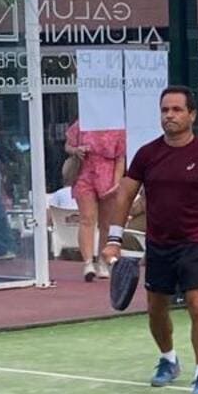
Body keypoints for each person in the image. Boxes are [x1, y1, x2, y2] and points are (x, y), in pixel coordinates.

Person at [101, 86, 198, 394]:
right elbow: (125, 194)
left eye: (177, 110)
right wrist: (113, 239)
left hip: (195, 242)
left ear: (192, 115)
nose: (170, 115)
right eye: (165, 110)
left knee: (197, 302)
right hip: (158, 244)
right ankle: (168, 359)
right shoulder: (147, 154)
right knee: (155, 308)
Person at [65, 117, 126, 282]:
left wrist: (116, 182)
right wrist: (76, 150)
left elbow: (120, 157)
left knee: (106, 222)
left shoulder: (118, 127)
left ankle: (102, 261)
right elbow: (68, 145)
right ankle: (87, 262)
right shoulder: (82, 123)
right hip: (85, 174)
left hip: (107, 175)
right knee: (87, 218)